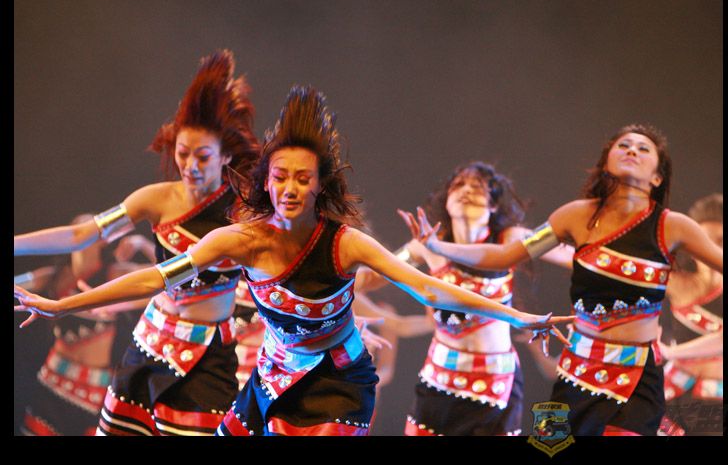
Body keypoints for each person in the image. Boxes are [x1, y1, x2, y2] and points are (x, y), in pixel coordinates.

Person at [15, 85, 573, 436]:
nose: (289, 188)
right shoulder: (240, 239)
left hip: (337, 384)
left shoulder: (345, 243)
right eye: (280, 176)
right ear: (265, 181)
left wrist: (519, 318)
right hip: (271, 373)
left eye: (302, 179)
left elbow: (428, 290)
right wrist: (62, 305)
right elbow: (154, 279)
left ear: (319, 186)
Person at [401, 124, 722, 436]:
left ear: (657, 177)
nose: (632, 151)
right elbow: (504, 255)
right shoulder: (574, 216)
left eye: (643, 149)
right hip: (576, 370)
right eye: (623, 145)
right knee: (552, 444)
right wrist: (437, 246)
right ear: (606, 163)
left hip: (636, 376)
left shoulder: (673, 226)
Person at [14, 49, 261, 435]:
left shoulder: (244, 213)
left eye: (202, 156)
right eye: (183, 153)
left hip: (209, 354)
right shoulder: (155, 199)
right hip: (152, 340)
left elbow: (280, 273)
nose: (190, 166)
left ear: (226, 156)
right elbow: (81, 235)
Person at [357, 161, 573, 436]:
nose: (466, 191)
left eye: (478, 187)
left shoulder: (512, 240)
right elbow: (371, 277)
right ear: (446, 202)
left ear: (493, 206)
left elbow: (579, 259)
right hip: (439, 381)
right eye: (458, 185)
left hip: (495, 386)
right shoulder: (425, 247)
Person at [15, 215, 154, 436]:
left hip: (94, 386)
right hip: (53, 378)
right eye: (76, 228)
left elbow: (165, 276)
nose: (81, 231)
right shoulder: (54, 276)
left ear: (102, 239)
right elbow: (17, 284)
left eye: (89, 227)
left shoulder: (114, 274)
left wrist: (142, 243)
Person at [657, 193, 723, 436]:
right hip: (675, 397)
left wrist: (670, 352)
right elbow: (618, 267)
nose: (712, 249)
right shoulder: (678, 283)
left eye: (721, 240)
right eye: (704, 241)